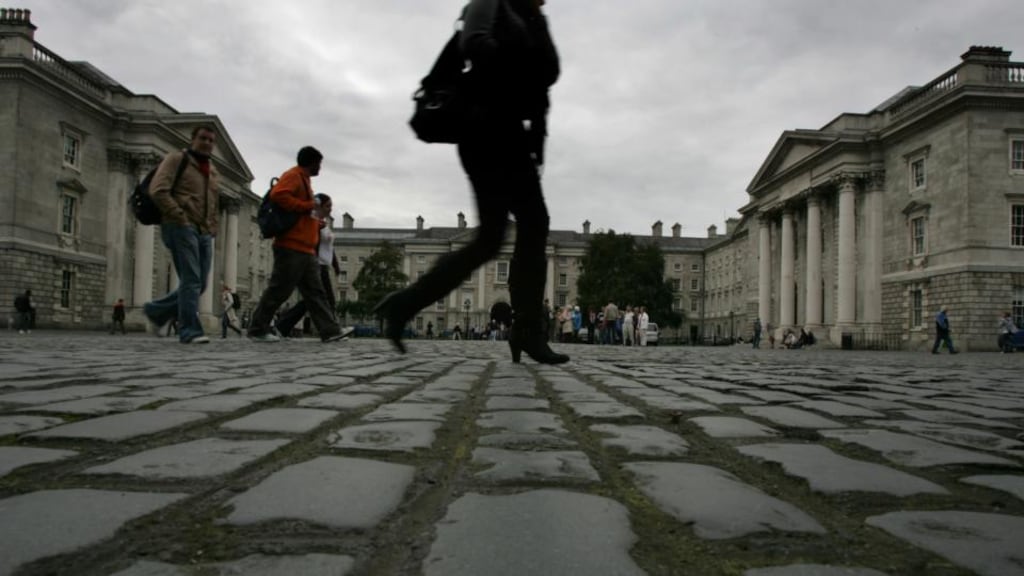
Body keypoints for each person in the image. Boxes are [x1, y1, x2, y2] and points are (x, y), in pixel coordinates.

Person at [374, 0, 566, 364]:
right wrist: (517, 69)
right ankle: (522, 329)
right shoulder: (489, 3)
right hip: (483, 128)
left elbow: (548, 76)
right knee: (497, 237)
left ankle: (522, 328)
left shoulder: (532, 20)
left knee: (519, 230)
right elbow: (473, 44)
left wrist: (537, 141)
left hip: (511, 135)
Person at [246, 146, 347, 343]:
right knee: (279, 289)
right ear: (312, 162)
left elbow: (302, 213)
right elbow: (279, 195)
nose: (320, 168)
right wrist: (307, 206)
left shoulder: (305, 180)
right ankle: (258, 328)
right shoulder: (293, 175)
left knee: (316, 293)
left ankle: (330, 331)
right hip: (291, 245)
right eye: (319, 163)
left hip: (305, 248)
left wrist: (314, 222)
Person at [143, 126, 219, 344]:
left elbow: (212, 203)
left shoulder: (212, 170)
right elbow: (158, 189)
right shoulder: (176, 159)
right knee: (192, 279)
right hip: (179, 225)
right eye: (202, 138)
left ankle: (156, 310)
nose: (207, 143)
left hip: (204, 231)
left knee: (200, 283)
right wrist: (179, 215)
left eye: (211, 140)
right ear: (192, 139)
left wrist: (212, 227)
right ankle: (189, 330)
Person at [272, 193, 351, 340]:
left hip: (323, 265)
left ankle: (282, 326)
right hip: (315, 264)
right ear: (319, 206)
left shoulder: (323, 224)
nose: (330, 209)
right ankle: (333, 329)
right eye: (328, 206)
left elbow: (329, 248)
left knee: (312, 300)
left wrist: (336, 265)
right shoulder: (312, 222)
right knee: (326, 299)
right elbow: (310, 243)